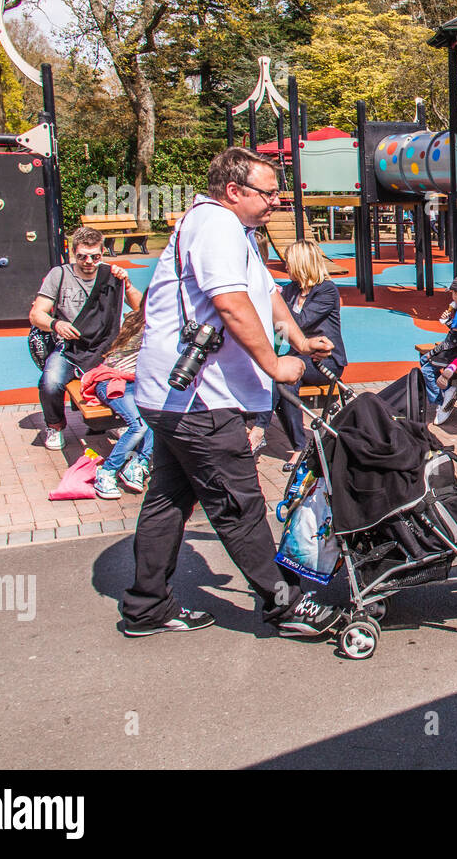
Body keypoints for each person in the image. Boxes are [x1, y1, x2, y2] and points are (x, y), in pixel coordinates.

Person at [121, 147, 338, 640]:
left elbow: (267, 294)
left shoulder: (233, 230)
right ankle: (284, 604)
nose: (276, 202)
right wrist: (275, 363)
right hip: (201, 398)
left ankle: (146, 606)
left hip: (170, 398)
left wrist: (300, 341)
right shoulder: (216, 225)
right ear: (234, 191)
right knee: (238, 505)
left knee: (167, 499)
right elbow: (231, 301)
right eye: (267, 193)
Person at [29, 226, 143, 451]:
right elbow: (36, 314)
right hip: (70, 347)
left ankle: (116, 421)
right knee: (50, 383)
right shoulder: (59, 274)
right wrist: (56, 324)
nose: (88, 261)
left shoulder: (111, 274)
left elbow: (141, 308)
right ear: (73, 253)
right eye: (82, 256)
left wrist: (127, 284)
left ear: (102, 253)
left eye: (95, 256)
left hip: (106, 346)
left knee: (125, 381)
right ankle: (55, 425)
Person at [272, 240, 347, 472]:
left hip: (325, 360)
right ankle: (297, 444)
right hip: (300, 355)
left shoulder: (326, 290)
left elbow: (299, 323)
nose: (285, 267)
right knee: (280, 380)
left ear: (302, 264)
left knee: (283, 377)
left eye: (289, 262)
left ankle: (287, 442)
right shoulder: (292, 289)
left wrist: (275, 304)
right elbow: (279, 329)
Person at [81, 307, 153, 499]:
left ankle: (138, 464)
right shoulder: (149, 326)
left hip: (134, 382)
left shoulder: (147, 321)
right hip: (112, 381)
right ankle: (107, 471)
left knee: (154, 417)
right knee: (138, 426)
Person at [423, 275, 457, 424]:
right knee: (427, 359)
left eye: (452, 293)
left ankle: (442, 399)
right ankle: (445, 393)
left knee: (426, 366)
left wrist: (448, 321)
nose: (451, 296)